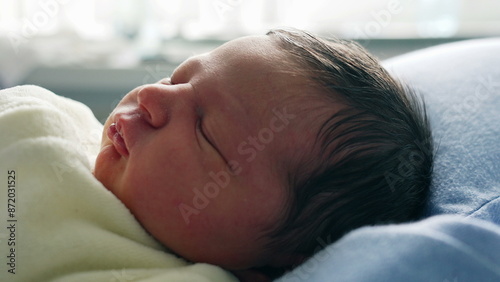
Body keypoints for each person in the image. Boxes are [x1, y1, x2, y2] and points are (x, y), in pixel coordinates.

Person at [0, 28, 432, 281]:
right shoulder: (63, 120)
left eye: (206, 131)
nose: (151, 95)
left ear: (275, 264)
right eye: (175, 78)